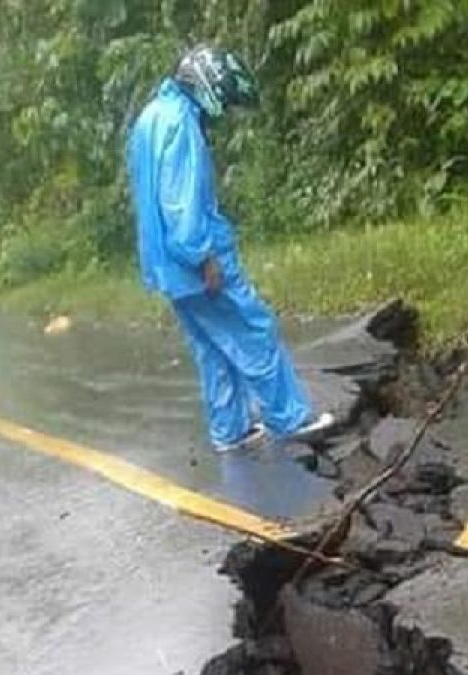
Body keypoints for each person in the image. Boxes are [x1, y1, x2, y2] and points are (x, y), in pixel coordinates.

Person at [127, 44, 335, 452]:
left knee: (212, 347)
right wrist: (202, 255)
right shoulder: (181, 123)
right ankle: (289, 417)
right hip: (193, 258)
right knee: (251, 329)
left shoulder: (150, 117)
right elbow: (180, 201)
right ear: (208, 86)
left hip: (165, 267)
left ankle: (230, 431)